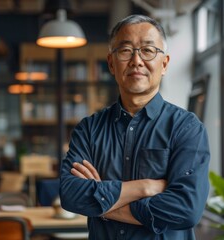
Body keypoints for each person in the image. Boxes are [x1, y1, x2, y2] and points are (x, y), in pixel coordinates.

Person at [60, 14, 210, 240]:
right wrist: (145, 187)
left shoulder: (186, 128)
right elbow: (71, 195)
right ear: (111, 63)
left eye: (148, 50)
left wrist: (102, 206)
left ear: (165, 63)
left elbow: (186, 209)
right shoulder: (89, 129)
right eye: (126, 50)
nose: (137, 61)